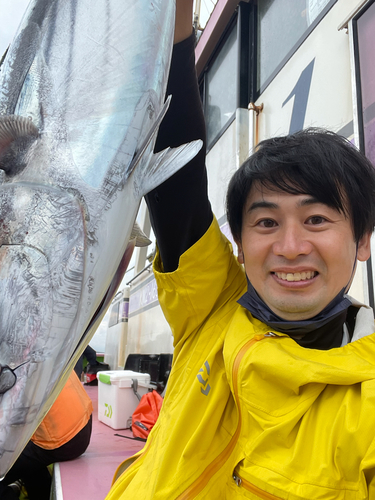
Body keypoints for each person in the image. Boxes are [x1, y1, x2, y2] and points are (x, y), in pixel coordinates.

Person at [105, 1, 375, 499]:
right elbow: (174, 162)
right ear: (241, 246)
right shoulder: (211, 306)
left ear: (361, 240)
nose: (290, 248)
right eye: (267, 222)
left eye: (316, 220)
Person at [0, 371, 93, 500]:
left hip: (62, 439)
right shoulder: (35, 350)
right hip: (84, 420)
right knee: (26, 457)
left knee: (18, 454)